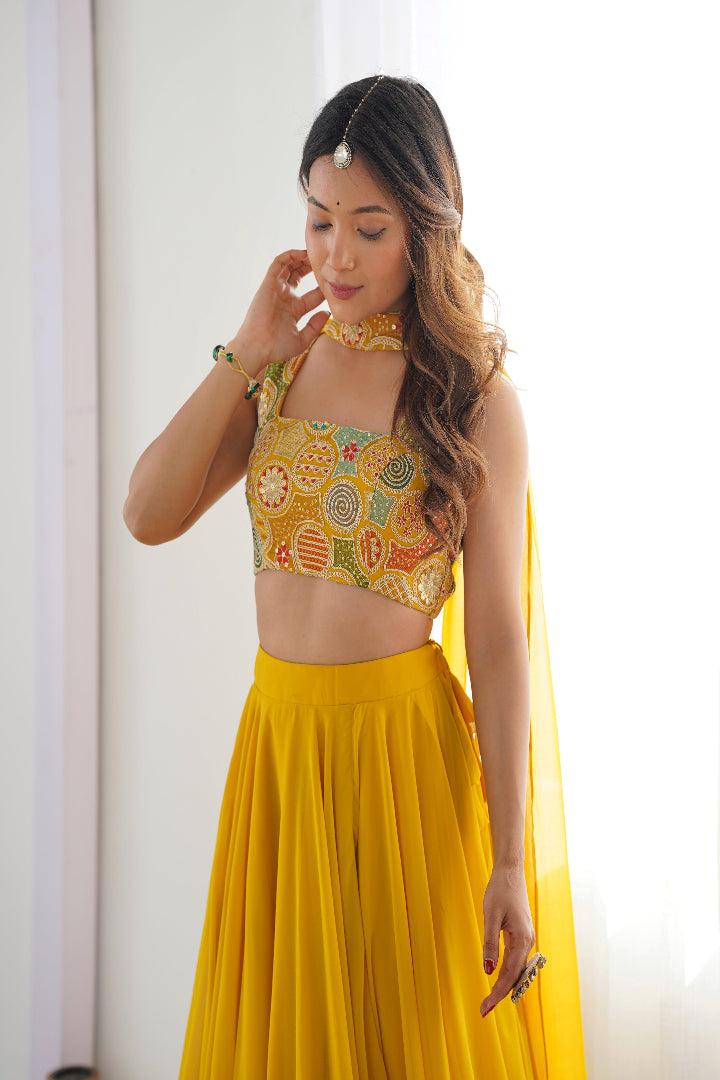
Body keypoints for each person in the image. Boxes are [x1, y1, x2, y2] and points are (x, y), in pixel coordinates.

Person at [124, 74, 585, 1079]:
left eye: (368, 227)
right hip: (281, 761)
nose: (336, 255)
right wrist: (243, 353)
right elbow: (147, 513)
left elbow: (500, 641)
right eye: (320, 220)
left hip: (403, 769)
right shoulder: (284, 362)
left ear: (425, 226)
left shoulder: (471, 397)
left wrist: (510, 860)